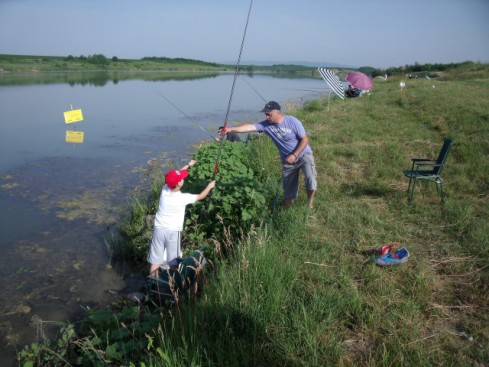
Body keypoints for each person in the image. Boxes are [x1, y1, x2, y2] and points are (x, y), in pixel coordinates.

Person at [220, 101, 317, 209]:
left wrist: (294, 155)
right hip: (287, 160)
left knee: (310, 178)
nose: (267, 117)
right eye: (265, 114)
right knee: (288, 193)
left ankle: (310, 204)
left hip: (303, 154)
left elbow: (305, 140)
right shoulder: (265, 125)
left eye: (268, 114)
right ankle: (287, 210)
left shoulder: (293, 121)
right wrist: (230, 129)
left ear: (278, 113)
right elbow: (249, 127)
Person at [148, 159, 215, 277]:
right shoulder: (183, 198)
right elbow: (201, 196)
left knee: (155, 261)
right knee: (173, 261)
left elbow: (175, 175)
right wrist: (210, 186)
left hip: (158, 228)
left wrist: (189, 165)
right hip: (173, 231)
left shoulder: (165, 189)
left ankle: (153, 285)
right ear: (179, 183)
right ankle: (172, 283)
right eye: (182, 179)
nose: (183, 179)